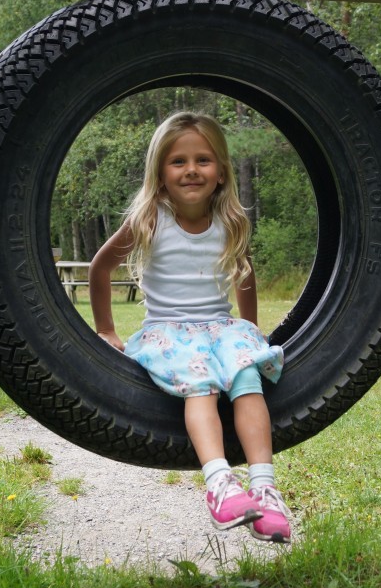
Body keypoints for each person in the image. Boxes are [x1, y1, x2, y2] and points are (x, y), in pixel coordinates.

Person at [89, 111, 291, 543]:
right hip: (168, 330)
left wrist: (249, 329)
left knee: (247, 375)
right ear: (160, 174)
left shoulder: (230, 221)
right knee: (201, 383)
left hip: (219, 327)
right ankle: (219, 484)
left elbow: (244, 272)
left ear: (220, 172)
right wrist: (106, 328)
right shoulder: (149, 220)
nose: (192, 170)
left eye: (203, 159)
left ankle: (264, 486)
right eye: (178, 161)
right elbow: (100, 268)